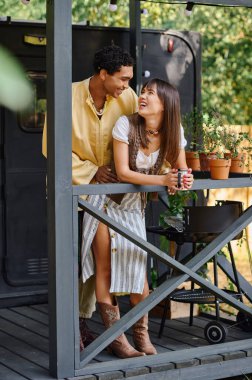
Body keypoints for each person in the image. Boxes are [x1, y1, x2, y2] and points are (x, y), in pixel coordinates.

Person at [81, 78, 194, 359]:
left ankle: (141, 335)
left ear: (165, 104)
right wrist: (163, 178)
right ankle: (117, 340)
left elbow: (181, 169)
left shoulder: (174, 131)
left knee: (138, 277)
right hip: (104, 202)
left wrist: (183, 178)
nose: (142, 96)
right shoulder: (126, 125)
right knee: (105, 271)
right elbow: (123, 173)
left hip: (133, 206)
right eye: (142, 91)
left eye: (150, 93)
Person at [42, 45, 138, 351]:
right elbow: (51, 147)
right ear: (102, 74)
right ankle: (73, 329)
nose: (127, 85)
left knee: (104, 261)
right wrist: (92, 170)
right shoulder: (65, 95)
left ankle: (95, 328)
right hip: (70, 191)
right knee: (72, 261)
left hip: (112, 197)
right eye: (122, 79)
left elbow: (143, 134)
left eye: (129, 80)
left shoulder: (129, 98)